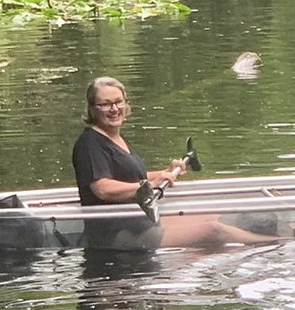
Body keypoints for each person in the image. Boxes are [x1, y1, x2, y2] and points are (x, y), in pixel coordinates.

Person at [72, 77, 272, 247]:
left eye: (118, 102)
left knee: (211, 216)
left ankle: (261, 241)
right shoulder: (90, 143)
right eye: (105, 104)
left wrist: (161, 173)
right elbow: (102, 188)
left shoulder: (115, 137)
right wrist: (148, 185)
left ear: (126, 103)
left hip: (141, 220)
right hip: (118, 234)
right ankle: (278, 246)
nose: (114, 109)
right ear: (92, 109)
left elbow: (128, 175)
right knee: (214, 230)